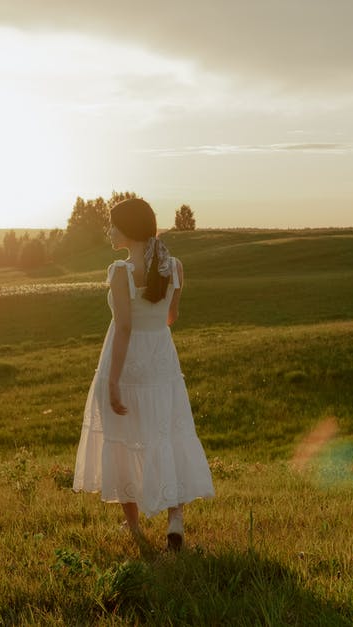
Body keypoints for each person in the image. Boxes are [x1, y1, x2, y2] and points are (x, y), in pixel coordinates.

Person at [73, 197, 215, 552]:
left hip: (126, 361)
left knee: (122, 436)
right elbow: (171, 317)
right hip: (162, 362)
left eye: (113, 224)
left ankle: (133, 524)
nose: (108, 230)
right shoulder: (175, 267)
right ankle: (175, 518)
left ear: (129, 229)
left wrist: (114, 381)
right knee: (165, 433)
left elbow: (122, 328)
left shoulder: (120, 272)